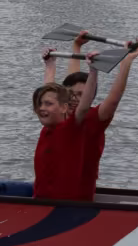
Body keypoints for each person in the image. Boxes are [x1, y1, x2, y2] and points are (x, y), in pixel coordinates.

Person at [61, 33, 138, 200]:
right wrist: (77, 47)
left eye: (82, 95)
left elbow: (114, 98)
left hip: (78, 196)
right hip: (53, 188)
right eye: (72, 94)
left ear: (90, 96)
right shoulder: (60, 113)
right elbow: (72, 81)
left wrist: (126, 61)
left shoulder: (94, 118)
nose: (75, 99)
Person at [32, 52, 98, 201]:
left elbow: (85, 105)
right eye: (41, 104)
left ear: (63, 107)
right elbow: (49, 93)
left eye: (48, 104)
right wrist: (50, 65)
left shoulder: (71, 127)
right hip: (40, 196)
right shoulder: (50, 123)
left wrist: (93, 71)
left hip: (63, 202)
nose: (42, 108)